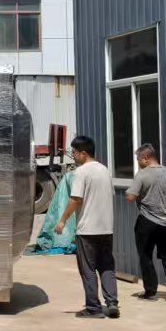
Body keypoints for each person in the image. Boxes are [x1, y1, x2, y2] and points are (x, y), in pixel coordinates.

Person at [46, 135, 118, 319]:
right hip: (106, 228)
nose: (73, 156)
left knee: (88, 269)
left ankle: (93, 308)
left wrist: (62, 220)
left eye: (74, 152)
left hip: (87, 230)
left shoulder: (81, 172)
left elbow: (76, 199)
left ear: (83, 153)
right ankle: (112, 303)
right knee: (106, 266)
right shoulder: (104, 170)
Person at [125, 144, 166, 301]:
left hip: (146, 221)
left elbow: (130, 197)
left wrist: (133, 193)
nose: (138, 162)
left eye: (138, 159)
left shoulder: (142, 175)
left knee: (145, 255)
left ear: (145, 158)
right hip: (165, 223)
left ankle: (151, 291)